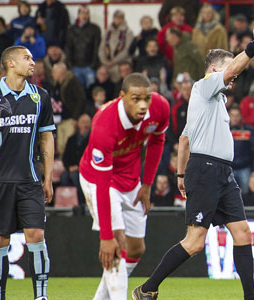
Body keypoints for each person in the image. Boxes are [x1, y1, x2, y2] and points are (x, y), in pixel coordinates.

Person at [132, 23, 254, 300]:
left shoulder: (212, 100)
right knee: (194, 242)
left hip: (220, 173)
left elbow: (183, 140)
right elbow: (233, 70)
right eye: (229, 68)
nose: (235, 75)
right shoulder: (205, 86)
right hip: (206, 169)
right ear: (215, 69)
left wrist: (181, 176)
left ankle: (250, 297)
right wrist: (253, 46)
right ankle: (146, 289)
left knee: (242, 232)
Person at [0, 45, 55, 300]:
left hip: (29, 180)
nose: (32, 62)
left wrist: (48, 177)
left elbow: (47, 137)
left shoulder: (40, 96)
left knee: (36, 235)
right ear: (10, 64)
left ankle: (41, 296)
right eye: (26, 58)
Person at [79, 73, 170, 299]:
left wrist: (147, 184)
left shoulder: (160, 107)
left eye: (146, 98)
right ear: (122, 97)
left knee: (136, 249)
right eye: (136, 98)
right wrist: (106, 236)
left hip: (132, 181)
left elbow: (157, 141)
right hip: (100, 181)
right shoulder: (104, 124)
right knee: (116, 246)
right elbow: (102, 184)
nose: (143, 105)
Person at [65, 5, 101, 89]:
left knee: (91, 90)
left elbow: (97, 49)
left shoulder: (95, 29)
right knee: (77, 90)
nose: (84, 15)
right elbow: (68, 48)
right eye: (82, 13)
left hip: (90, 67)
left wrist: (93, 65)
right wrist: (70, 66)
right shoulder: (71, 30)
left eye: (87, 13)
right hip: (75, 67)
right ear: (78, 15)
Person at [99, 10, 134, 83]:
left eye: (121, 17)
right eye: (116, 17)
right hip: (107, 62)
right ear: (113, 18)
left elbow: (127, 50)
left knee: (122, 69)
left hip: (121, 61)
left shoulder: (128, 32)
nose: (118, 19)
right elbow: (101, 48)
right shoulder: (107, 32)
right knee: (102, 71)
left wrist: (114, 61)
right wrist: (105, 61)